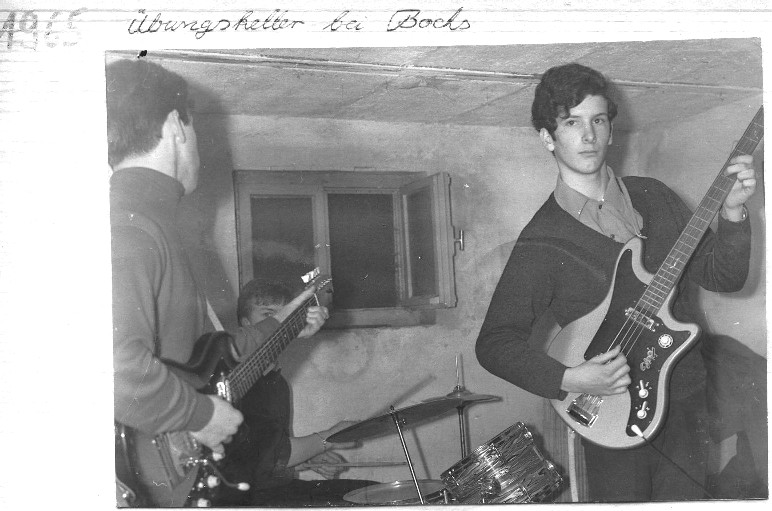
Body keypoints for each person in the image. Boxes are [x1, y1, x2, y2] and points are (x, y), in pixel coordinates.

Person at [475, 63, 756, 502]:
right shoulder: (541, 241)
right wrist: (570, 378)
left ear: (610, 130)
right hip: (609, 414)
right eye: (572, 123)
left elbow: (724, 276)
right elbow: (494, 343)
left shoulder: (655, 196)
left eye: (598, 120)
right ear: (548, 137)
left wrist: (733, 213)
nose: (588, 135)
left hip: (687, 402)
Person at [108, 58, 328, 506]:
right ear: (176, 126)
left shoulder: (150, 222)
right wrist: (200, 414)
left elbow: (209, 358)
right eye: (196, 129)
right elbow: (107, 364)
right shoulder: (131, 226)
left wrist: (285, 322)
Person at [219, 278, 376, 507]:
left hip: (272, 490)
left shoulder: (277, 383)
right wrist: (329, 439)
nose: (278, 323)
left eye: (284, 315)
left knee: (371, 492)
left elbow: (268, 456)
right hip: (245, 500)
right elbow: (271, 455)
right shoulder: (239, 382)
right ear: (246, 325)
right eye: (268, 315)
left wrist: (308, 459)